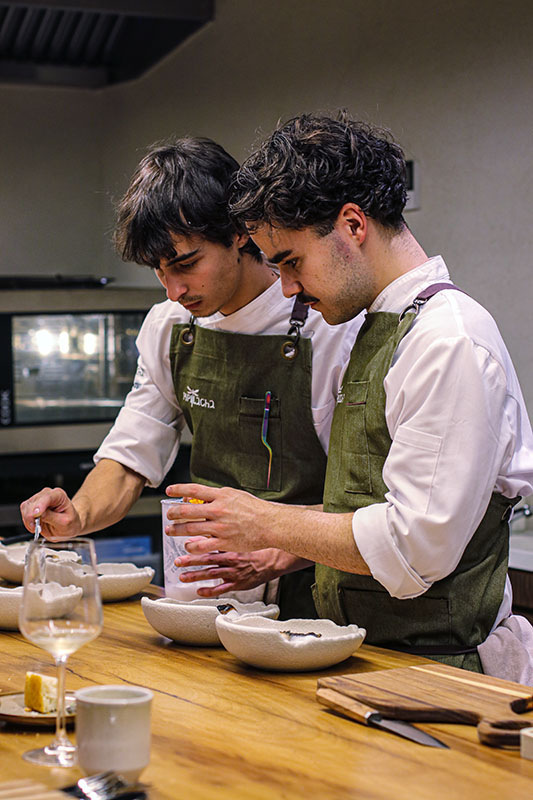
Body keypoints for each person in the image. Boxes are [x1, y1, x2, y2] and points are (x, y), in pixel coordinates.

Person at [164, 114, 533, 681]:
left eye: (290, 261)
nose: (286, 287)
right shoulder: (378, 326)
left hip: (443, 675)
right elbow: (369, 507)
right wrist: (290, 547)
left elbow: (413, 549)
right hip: (370, 663)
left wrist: (266, 522)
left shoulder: (449, 341)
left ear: (353, 225)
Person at [20, 135, 361, 619]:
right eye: (159, 270)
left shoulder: (326, 324)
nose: (174, 289)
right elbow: (130, 457)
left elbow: (367, 505)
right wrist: (77, 515)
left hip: (318, 600)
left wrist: (277, 550)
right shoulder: (170, 326)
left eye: (186, 264)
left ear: (241, 231)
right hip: (208, 598)